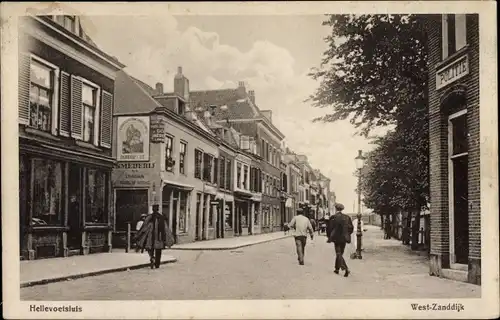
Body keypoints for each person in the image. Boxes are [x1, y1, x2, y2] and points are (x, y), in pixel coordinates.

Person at [135, 204, 175, 269]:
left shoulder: (149, 217)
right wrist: (167, 238)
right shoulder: (161, 217)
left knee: (149, 249)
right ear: (158, 209)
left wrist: (139, 235)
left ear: (153, 209)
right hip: (159, 238)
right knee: (158, 251)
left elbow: (144, 227)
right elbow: (166, 229)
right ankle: (157, 264)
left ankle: (152, 257)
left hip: (150, 238)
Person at [327, 203, 354, 277]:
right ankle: (336, 269)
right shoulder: (347, 217)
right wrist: (347, 234)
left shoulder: (333, 217)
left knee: (338, 253)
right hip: (344, 238)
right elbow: (351, 228)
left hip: (336, 238)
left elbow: (329, 228)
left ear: (336, 209)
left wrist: (329, 236)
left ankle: (345, 268)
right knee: (340, 253)